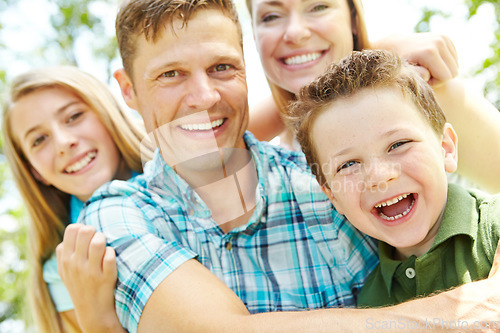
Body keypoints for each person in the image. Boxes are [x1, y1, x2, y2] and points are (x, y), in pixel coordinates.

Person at [57, 0, 500, 332]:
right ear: (128, 89)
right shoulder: (116, 220)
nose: (204, 97)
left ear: (247, 71)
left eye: (222, 67)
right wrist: (475, 309)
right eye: (170, 74)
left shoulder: (328, 182)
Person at [288, 49, 500, 309]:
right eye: (349, 164)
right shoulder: (370, 304)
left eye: (398, 144)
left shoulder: (494, 227)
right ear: (333, 195)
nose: (379, 176)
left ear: (446, 148)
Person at [245, 0, 500, 194]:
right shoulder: (274, 150)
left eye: (318, 6)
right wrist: (377, 50)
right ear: (254, 36)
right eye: (271, 16)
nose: (295, 32)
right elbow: (217, 145)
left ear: (353, 18)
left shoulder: (423, 91)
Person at [1, 66, 153, 333]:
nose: (63, 142)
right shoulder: (60, 273)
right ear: (34, 171)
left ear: (106, 112)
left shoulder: (184, 162)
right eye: (39, 140)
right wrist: (96, 319)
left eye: (73, 116)